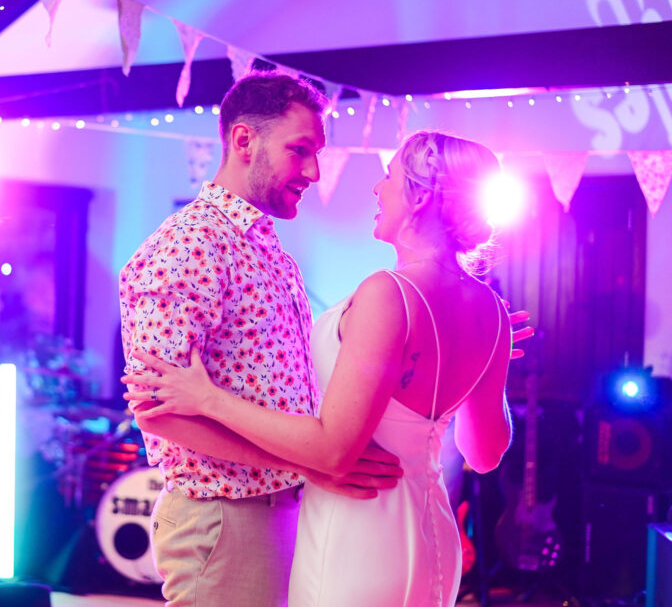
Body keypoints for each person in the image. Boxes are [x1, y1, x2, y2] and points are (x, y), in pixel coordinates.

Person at [126, 130, 516, 607]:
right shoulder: (493, 310)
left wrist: (209, 398)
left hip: (362, 527)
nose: (377, 188)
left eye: (389, 176)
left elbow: (334, 451)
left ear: (420, 197)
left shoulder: (389, 294)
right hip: (432, 527)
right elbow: (484, 453)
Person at [118, 72, 406, 607]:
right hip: (225, 516)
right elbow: (158, 412)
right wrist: (314, 461)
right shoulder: (191, 244)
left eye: (317, 153)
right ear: (244, 141)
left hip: (278, 509)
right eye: (300, 151)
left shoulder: (262, 244)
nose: (315, 172)